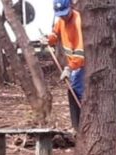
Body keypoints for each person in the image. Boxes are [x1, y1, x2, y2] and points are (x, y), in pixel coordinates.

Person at [41, 0, 85, 131]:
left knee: (77, 91)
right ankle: (77, 126)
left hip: (82, 64)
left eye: (65, 13)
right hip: (74, 64)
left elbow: (80, 53)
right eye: (60, 14)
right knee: (72, 91)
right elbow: (55, 33)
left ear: (71, 7)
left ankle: (82, 126)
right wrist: (48, 39)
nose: (63, 17)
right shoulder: (60, 20)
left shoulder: (78, 21)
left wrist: (69, 68)